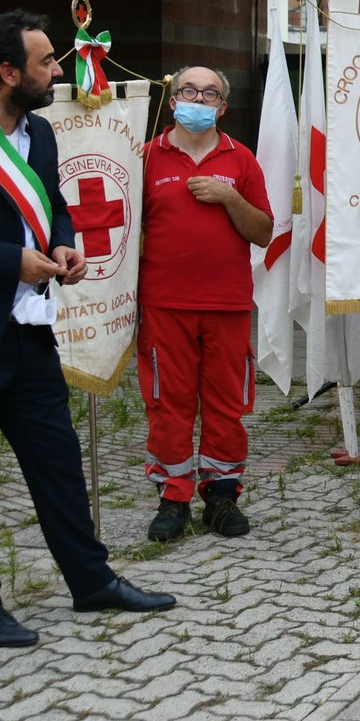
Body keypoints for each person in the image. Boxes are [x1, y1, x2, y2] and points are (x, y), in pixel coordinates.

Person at [0, 9, 174, 648]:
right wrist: (10, 261)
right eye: (45, 63)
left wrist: (62, 246)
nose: (58, 71)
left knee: (58, 464)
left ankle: (91, 580)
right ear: (7, 72)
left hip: (29, 332)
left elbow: (54, 203)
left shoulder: (40, 133)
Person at [138, 67, 275, 541]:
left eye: (209, 93)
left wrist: (229, 197)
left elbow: (263, 231)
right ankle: (173, 497)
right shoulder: (146, 156)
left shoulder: (240, 159)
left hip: (227, 304)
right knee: (168, 402)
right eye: (189, 91)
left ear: (222, 107)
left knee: (225, 402)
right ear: (173, 100)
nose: (198, 98)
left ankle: (221, 494)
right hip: (165, 304)